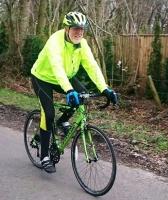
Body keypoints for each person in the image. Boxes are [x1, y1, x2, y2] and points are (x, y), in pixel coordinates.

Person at [31, 11, 117, 173]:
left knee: (83, 96)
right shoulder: (55, 41)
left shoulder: (82, 44)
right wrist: (69, 90)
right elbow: (56, 66)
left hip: (66, 77)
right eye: (75, 28)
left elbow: (92, 66)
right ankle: (44, 156)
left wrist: (104, 88)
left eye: (82, 29)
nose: (79, 32)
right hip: (42, 78)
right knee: (48, 114)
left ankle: (62, 121)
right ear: (66, 28)